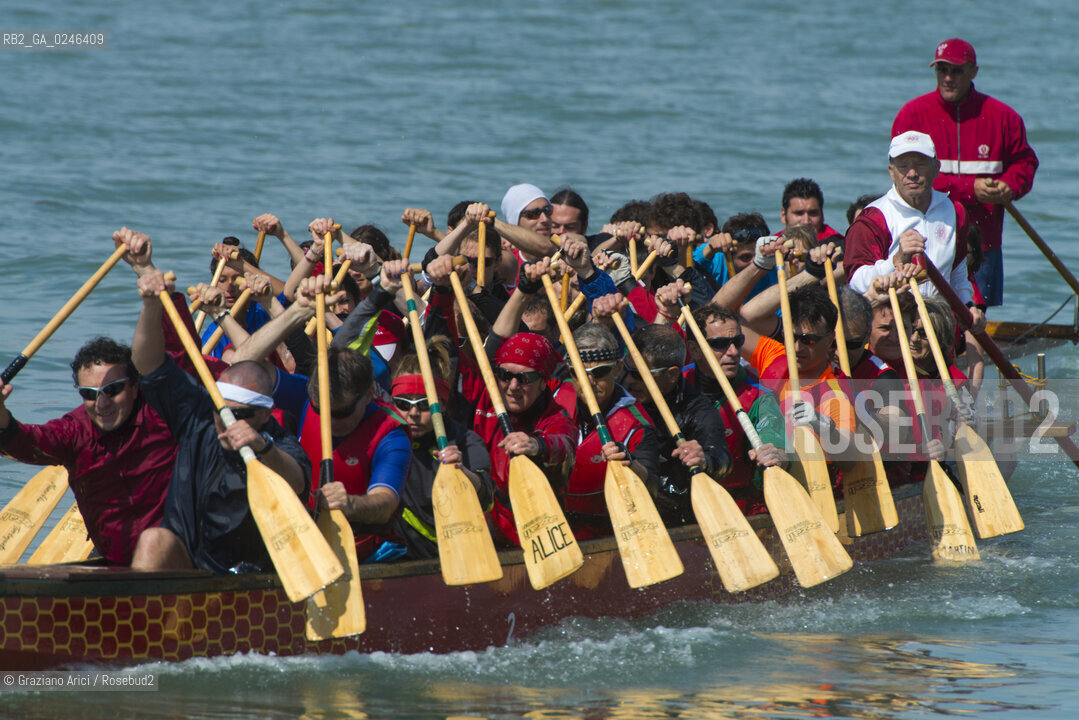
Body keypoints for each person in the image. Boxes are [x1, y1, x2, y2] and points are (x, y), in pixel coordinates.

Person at [130, 269, 311, 574]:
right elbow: (147, 366)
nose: (228, 422)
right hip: (187, 561)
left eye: (240, 415)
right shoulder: (197, 417)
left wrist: (261, 448)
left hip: (249, 573)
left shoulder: (278, 442)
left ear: (266, 414)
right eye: (223, 411)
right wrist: (150, 306)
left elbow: (297, 481)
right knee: (152, 540)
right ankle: (141, 619)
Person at [0, 337, 176, 566]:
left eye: (112, 390)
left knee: (153, 542)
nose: (101, 404)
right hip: (115, 562)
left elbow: (177, 357)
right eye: (89, 394)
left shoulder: (164, 414)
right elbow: (28, 443)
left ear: (134, 387)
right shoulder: (75, 431)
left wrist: (160, 302)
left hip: (180, 558)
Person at [892, 38, 1039, 307]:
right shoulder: (911, 115)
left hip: (982, 244)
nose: (948, 78)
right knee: (917, 311)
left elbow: (1025, 163)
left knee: (976, 318)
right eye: (941, 70)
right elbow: (903, 179)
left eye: (956, 70)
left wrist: (1010, 185)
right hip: (926, 240)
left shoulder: (1004, 117)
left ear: (974, 71)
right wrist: (971, 190)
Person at [845, 131, 987, 335]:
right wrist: (896, 261)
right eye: (903, 165)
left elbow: (957, 271)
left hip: (939, 328)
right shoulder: (873, 218)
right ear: (891, 171)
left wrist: (968, 305)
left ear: (936, 168)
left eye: (920, 163)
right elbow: (856, 282)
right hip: (892, 329)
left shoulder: (955, 212)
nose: (911, 173)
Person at [299, 347, 412, 562]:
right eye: (322, 410)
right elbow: (244, 362)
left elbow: (386, 503)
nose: (330, 421)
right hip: (307, 547)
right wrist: (294, 313)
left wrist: (349, 504)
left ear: (369, 394)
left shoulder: (392, 434)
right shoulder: (304, 398)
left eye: (342, 412)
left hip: (365, 554)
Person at [676, 300, 787, 515]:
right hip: (688, 506)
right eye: (720, 344)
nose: (734, 351)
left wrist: (777, 454)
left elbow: (775, 440)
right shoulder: (676, 384)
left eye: (737, 341)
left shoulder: (759, 393)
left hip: (746, 508)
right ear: (694, 349)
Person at [387, 338, 494, 560]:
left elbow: (486, 496)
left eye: (424, 405)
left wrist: (463, 472)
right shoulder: (384, 438)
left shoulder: (465, 440)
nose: (413, 414)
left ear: (442, 405)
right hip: (399, 560)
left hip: (457, 555)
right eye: (404, 404)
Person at [551, 323, 660, 538]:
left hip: (605, 533)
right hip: (554, 525)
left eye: (600, 373)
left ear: (618, 369)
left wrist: (631, 464)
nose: (590, 382)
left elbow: (654, 486)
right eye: (581, 373)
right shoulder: (552, 393)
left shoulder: (638, 424)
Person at [779, 178, 844, 244]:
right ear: (783, 215)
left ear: (822, 215)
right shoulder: (773, 244)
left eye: (813, 213)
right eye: (799, 213)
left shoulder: (838, 245)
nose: (806, 221)